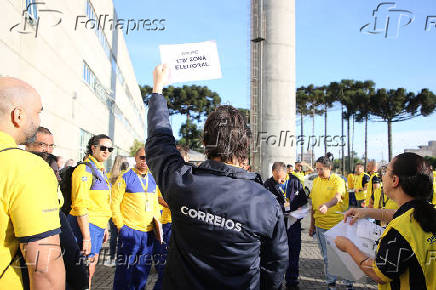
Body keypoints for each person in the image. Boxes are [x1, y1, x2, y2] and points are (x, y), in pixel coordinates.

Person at [146, 64, 288, 289]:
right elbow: (275, 267)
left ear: (205, 143)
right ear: (246, 144)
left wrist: (158, 90)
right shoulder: (266, 202)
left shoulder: (182, 182)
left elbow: (159, 141)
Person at [335, 152, 436, 289]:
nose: (382, 176)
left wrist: (348, 246)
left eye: (386, 171)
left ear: (395, 180)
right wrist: (366, 212)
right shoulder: (427, 212)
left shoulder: (400, 230)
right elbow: (400, 215)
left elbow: (379, 273)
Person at [0, 77, 65, 289]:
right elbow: (44, 268)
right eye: (37, 112)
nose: (38, 121)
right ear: (18, 115)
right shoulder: (26, 168)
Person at [31, 151, 89, 290]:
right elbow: (70, 252)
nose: (59, 178)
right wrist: (82, 283)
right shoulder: (49, 209)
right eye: (55, 172)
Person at [111, 147, 161, 290]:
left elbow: (155, 204)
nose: (145, 161)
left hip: (148, 233)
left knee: (142, 273)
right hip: (130, 231)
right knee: (124, 272)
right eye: (142, 157)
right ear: (136, 158)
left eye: (148, 158)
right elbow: (114, 203)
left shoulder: (153, 178)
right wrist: (121, 226)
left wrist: (158, 226)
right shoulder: (125, 176)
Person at [68, 134, 113, 289]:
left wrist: (105, 227)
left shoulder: (99, 171)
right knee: (85, 269)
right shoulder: (84, 170)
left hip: (97, 226)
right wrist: (86, 237)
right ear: (93, 148)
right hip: (87, 226)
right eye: (103, 148)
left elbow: (102, 203)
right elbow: (80, 205)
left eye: (110, 149)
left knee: (90, 268)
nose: (107, 151)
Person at [308, 153, 352, 290]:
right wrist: (311, 225)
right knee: (327, 257)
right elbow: (314, 206)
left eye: (321, 169)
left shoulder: (337, 180)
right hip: (321, 227)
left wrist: (327, 205)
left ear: (329, 168)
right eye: (317, 169)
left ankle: (348, 283)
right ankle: (331, 284)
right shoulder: (315, 181)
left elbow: (338, 197)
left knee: (342, 255)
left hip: (338, 225)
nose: (319, 172)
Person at [264, 162, 307, 290]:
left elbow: (303, 202)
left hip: (293, 224)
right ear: (272, 173)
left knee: (293, 253)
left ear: (286, 172)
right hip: (277, 225)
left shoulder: (295, 181)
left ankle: (292, 282)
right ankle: (275, 283)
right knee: (276, 254)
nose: (279, 181)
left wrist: (298, 212)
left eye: (282, 178)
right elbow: (265, 205)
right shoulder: (267, 185)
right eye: (276, 178)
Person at [152, 145, 188, 290]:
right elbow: (160, 199)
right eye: (185, 158)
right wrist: (178, 206)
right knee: (165, 267)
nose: (187, 161)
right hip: (167, 224)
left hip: (181, 224)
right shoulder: (166, 175)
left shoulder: (185, 174)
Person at [107, 156, 130, 265]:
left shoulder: (109, 176)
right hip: (121, 210)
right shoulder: (124, 177)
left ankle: (112, 257)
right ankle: (120, 258)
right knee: (121, 235)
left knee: (114, 236)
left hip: (112, 210)